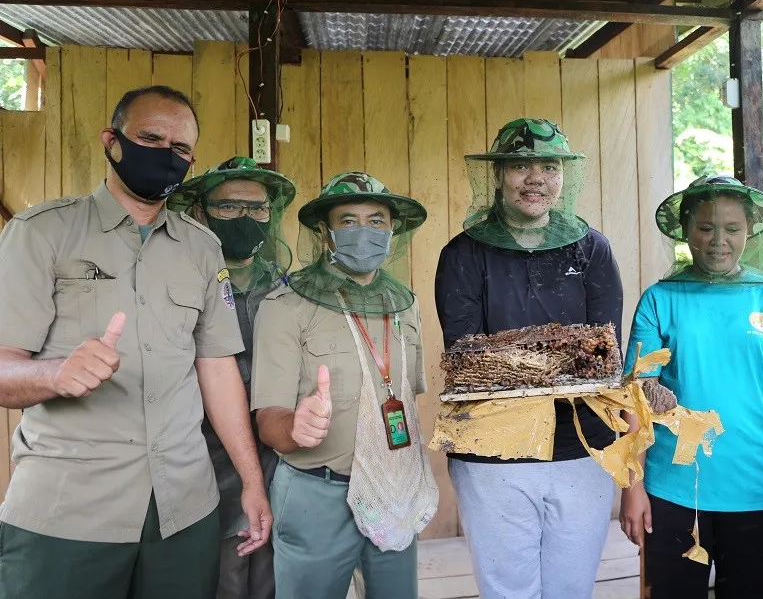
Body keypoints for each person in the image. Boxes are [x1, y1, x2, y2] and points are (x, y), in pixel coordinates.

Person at [0, 86, 272, 599]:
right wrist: (51, 375)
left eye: (181, 148)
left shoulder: (201, 247)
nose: (166, 154)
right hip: (70, 510)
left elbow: (217, 369)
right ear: (112, 141)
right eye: (150, 137)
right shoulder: (43, 233)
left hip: (184, 509)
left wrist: (251, 482)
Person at [435, 117, 624, 598]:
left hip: (584, 445)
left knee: (571, 589)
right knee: (508, 591)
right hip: (491, 450)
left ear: (565, 175)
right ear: (497, 175)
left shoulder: (592, 250)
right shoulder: (463, 254)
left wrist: (510, 357)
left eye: (549, 166)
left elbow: (604, 354)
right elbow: (469, 361)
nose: (535, 178)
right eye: (519, 165)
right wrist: (568, 354)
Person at [619, 175, 763, 599]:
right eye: (705, 228)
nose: (718, 240)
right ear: (685, 230)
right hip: (674, 488)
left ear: (749, 230)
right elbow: (636, 398)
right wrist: (632, 486)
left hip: (759, 486)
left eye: (732, 229)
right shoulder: (662, 299)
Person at [251, 172, 437, 599]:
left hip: (393, 490)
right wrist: (295, 428)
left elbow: (407, 395)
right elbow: (268, 419)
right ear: (324, 232)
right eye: (348, 221)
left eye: (376, 221)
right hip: (319, 492)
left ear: (393, 230)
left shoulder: (404, 303)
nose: (363, 232)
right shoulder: (286, 306)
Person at [168, 156, 297, 599]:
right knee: (222, 570)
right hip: (201, 452)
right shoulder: (179, 279)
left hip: (276, 448)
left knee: (273, 569)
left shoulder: (288, 286)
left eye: (258, 208)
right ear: (200, 211)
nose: (246, 218)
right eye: (229, 207)